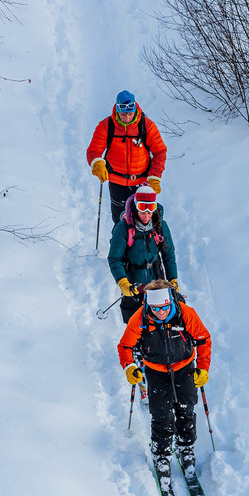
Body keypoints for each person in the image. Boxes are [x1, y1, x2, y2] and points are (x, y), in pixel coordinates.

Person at [119, 282, 211, 474]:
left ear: (170, 303)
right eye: (156, 308)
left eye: (164, 307)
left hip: (184, 367)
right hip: (155, 371)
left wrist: (203, 368)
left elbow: (203, 339)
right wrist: (129, 366)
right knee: (161, 414)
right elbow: (125, 346)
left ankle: (186, 448)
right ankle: (161, 454)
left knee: (186, 409)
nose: (161, 312)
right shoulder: (141, 317)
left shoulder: (185, 313)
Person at [87, 89, 167, 221]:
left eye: (130, 114)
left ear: (135, 109)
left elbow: (160, 151)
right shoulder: (106, 126)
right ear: (117, 111)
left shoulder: (147, 125)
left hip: (142, 182)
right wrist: (97, 163)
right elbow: (93, 150)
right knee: (120, 220)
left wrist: (155, 176)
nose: (127, 118)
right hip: (116, 182)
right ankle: (119, 240)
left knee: (144, 219)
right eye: (123, 115)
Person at [108, 184, 177, 322]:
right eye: (142, 211)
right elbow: (114, 258)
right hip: (133, 283)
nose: (146, 216)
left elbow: (169, 255)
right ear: (135, 207)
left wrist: (172, 279)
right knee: (134, 323)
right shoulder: (123, 227)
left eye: (150, 211)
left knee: (160, 320)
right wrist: (122, 282)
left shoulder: (160, 226)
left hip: (156, 280)